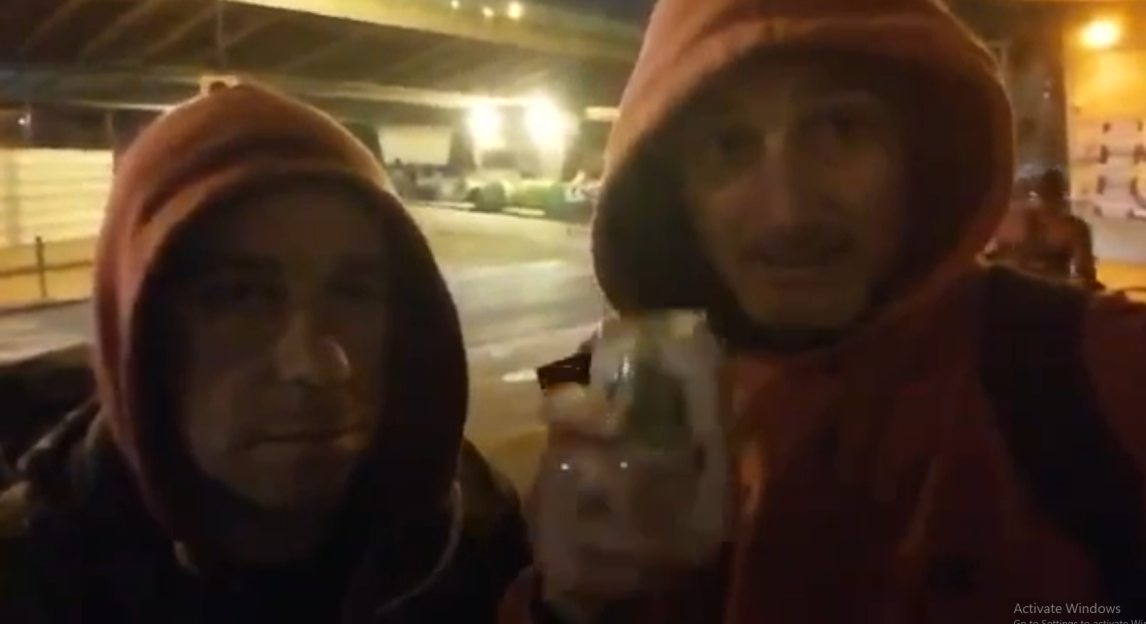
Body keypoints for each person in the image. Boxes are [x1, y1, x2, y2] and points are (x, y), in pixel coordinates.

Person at [499, 0, 1146, 622]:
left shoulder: (1094, 370)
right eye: (728, 146)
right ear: (676, 195)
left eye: (840, 128)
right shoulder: (614, 395)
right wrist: (566, 605)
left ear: (916, 155)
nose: (788, 212)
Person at [0, 84, 529, 622]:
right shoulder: (29, 581)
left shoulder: (476, 527)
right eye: (239, 296)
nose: (321, 365)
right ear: (140, 333)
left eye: (353, 292)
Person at [987, 168, 1101, 288]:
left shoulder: (1009, 220)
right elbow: (1085, 274)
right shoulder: (1074, 228)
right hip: (1047, 294)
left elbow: (1085, 275)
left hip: (1014, 291)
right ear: (1064, 194)